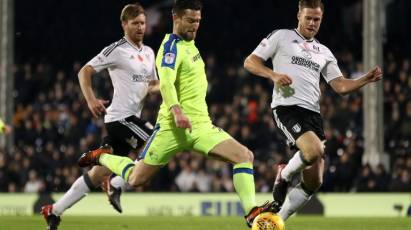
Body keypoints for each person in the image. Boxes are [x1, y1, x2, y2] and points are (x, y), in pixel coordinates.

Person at [78, 0, 273, 227]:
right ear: (175, 18)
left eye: (198, 21)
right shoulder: (170, 47)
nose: (195, 26)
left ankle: (250, 213)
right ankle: (101, 156)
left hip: (200, 126)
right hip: (171, 127)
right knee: (135, 179)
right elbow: (167, 82)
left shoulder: (191, 45)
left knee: (244, 156)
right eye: (190, 21)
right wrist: (176, 111)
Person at [244, 0, 382, 222]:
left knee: (314, 181)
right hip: (287, 109)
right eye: (308, 18)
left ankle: (276, 220)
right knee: (314, 151)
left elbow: (340, 86)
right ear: (298, 15)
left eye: (316, 19)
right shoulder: (281, 36)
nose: (312, 23)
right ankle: (285, 173)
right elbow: (250, 62)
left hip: (313, 115)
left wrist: (364, 79)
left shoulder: (324, 52)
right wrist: (273, 75)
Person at [41, 3, 159, 230]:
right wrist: (91, 99)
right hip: (120, 118)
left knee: (96, 176)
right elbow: (84, 71)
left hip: (131, 119)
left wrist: (167, 88)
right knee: (157, 142)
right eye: (135, 23)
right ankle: (117, 184)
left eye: (143, 23)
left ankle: (54, 210)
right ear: (124, 25)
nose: (141, 28)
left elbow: (152, 85)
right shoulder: (116, 50)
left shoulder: (148, 52)